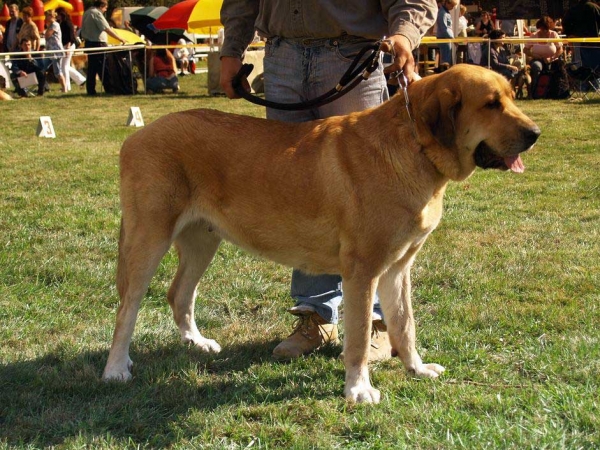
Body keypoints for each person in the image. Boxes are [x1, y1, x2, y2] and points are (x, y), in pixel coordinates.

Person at [219, 0, 437, 361]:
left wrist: (403, 32)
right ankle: (316, 316)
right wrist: (232, 49)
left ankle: (378, 323)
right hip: (281, 58)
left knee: (373, 200)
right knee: (299, 196)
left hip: (352, 55)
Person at [79, 0, 126, 95]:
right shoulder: (97, 13)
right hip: (98, 43)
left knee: (92, 68)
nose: (105, 10)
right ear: (101, 6)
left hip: (89, 43)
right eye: (105, 8)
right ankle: (109, 89)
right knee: (104, 67)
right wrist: (120, 38)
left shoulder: (87, 12)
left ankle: (91, 90)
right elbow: (106, 28)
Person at [524, 16, 564, 90]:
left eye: (546, 29)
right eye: (541, 29)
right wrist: (533, 55)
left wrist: (552, 58)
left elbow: (560, 49)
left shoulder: (554, 34)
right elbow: (525, 50)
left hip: (552, 60)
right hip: (537, 59)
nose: (544, 31)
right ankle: (535, 90)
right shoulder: (534, 35)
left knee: (557, 68)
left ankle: (555, 89)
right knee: (536, 66)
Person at [563, 0, 600, 67]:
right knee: (595, 64)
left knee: (579, 64)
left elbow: (565, 24)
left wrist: (569, 35)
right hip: (594, 40)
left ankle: (581, 75)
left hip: (578, 41)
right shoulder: (595, 8)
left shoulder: (573, 9)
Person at [56, 7, 86, 91]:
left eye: (57, 15)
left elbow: (71, 36)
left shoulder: (67, 23)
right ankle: (81, 79)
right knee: (65, 66)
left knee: (64, 66)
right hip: (64, 46)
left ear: (61, 14)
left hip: (69, 45)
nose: (56, 16)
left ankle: (67, 86)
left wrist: (68, 47)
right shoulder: (60, 23)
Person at [43, 10, 67, 93]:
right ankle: (44, 86)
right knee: (42, 68)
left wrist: (46, 30)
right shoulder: (50, 25)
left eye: (47, 16)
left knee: (57, 71)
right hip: (49, 51)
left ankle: (64, 88)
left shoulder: (55, 25)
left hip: (56, 51)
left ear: (52, 16)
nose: (45, 18)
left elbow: (47, 35)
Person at [436, 0, 458, 66]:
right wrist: (453, 38)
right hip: (444, 38)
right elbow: (444, 28)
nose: (453, 8)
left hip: (446, 37)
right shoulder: (443, 13)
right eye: (452, 6)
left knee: (446, 58)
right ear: (447, 3)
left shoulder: (445, 12)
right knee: (446, 59)